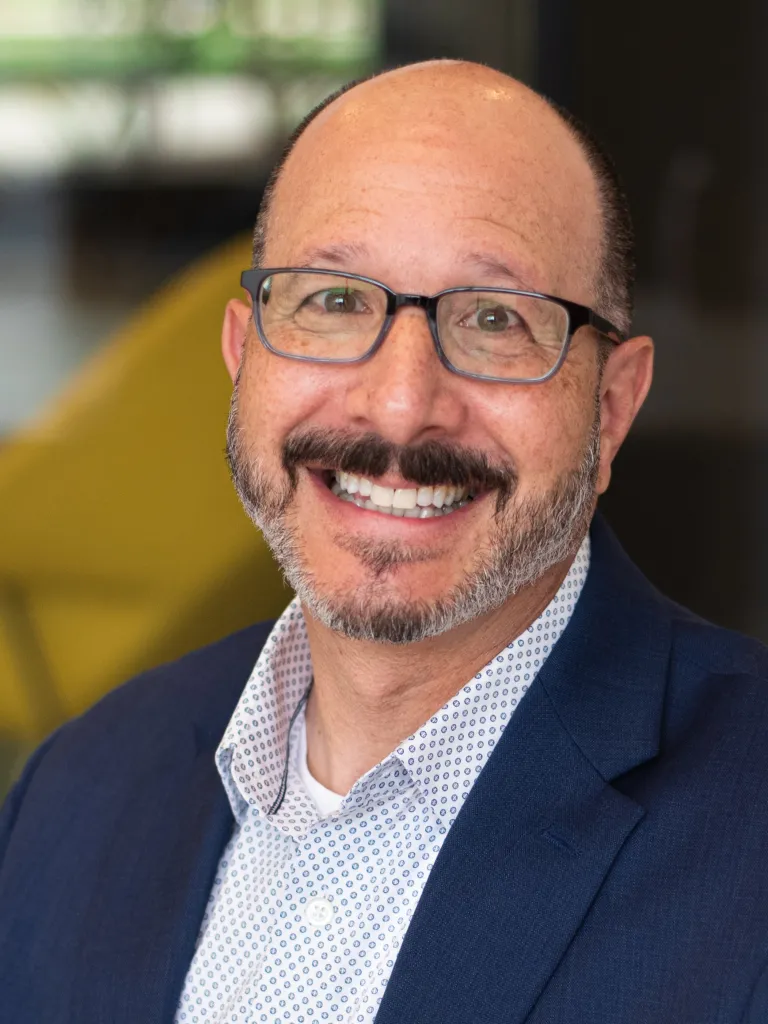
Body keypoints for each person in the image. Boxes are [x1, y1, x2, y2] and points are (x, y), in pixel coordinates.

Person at [1, 59, 768, 1024]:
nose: (401, 407)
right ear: (243, 358)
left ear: (610, 411)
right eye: (331, 301)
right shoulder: (77, 789)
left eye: (495, 319)